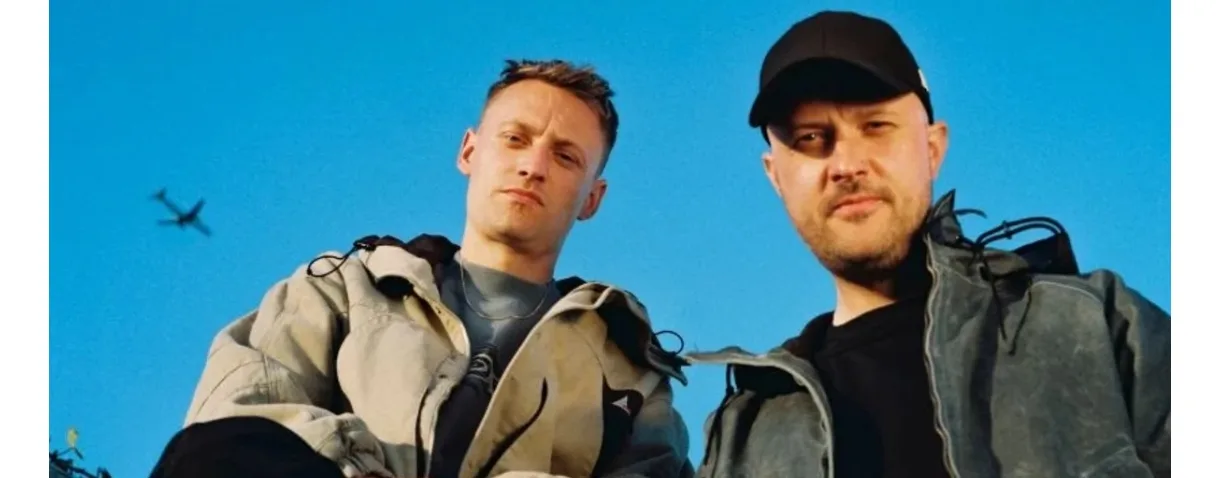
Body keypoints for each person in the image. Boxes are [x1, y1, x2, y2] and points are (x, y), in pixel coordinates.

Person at [149, 59, 693, 478]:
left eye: (566, 156)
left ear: (592, 198)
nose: (533, 166)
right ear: (469, 152)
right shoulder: (342, 287)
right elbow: (237, 418)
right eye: (515, 139)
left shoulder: (628, 375)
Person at [686, 11, 1170, 478]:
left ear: (933, 149)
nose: (847, 164)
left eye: (876, 126)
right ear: (775, 176)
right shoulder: (748, 433)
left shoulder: (1096, 325)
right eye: (811, 137)